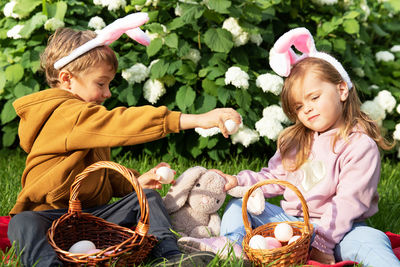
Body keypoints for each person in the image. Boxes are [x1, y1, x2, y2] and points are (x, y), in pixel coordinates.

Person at [7, 20, 241, 267]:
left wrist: (134, 182)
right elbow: (122, 122)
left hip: (89, 218)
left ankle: (171, 256)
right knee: (23, 222)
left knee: (148, 197)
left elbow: (99, 169)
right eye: (100, 83)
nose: (107, 93)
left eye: (108, 84)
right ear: (67, 79)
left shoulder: (87, 118)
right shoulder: (64, 113)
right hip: (51, 218)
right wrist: (197, 119)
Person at [177, 28, 400, 267]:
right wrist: (239, 181)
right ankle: (235, 244)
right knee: (241, 203)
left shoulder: (358, 145)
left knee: (370, 241)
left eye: (314, 98)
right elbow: (271, 177)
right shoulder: (297, 141)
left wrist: (322, 243)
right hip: (291, 224)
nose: (308, 109)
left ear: (342, 90)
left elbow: (350, 201)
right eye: (299, 107)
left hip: (342, 230)